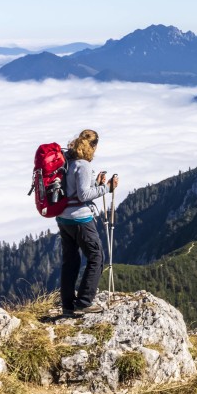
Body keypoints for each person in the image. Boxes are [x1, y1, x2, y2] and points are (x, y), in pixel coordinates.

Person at [56, 129, 119, 317]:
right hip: (80, 219)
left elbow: (75, 189)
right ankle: (84, 302)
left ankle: (67, 305)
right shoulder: (82, 165)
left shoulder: (68, 161)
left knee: (71, 261)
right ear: (92, 146)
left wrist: (96, 184)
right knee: (96, 257)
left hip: (63, 218)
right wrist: (106, 188)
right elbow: (84, 195)